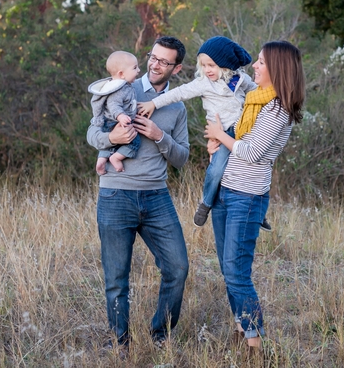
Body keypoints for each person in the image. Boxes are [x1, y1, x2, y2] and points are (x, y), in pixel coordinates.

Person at [86, 36, 190, 351]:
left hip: (157, 197)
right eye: (152, 57)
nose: (155, 64)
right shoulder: (121, 85)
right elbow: (92, 131)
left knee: (178, 267)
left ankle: (160, 335)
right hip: (116, 196)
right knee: (117, 278)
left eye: (164, 61)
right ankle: (119, 342)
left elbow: (182, 158)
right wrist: (111, 137)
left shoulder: (177, 106)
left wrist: (160, 137)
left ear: (177, 68)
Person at [204, 40, 305, 352]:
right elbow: (238, 136)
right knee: (229, 269)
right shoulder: (256, 100)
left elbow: (250, 151)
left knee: (237, 274)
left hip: (246, 197)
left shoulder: (277, 109)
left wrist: (220, 135)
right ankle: (240, 328)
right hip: (226, 191)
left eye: (261, 62)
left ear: (278, 69)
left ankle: (255, 345)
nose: (255, 67)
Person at [137, 36, 271, 231]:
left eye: (212, 65)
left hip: (244, 129)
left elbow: (257, 92)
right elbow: (179, 93)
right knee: (217, 169)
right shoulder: (204, 83)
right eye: (204, 65)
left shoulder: (241, 78)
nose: (208, 70)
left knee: (257, 167)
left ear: (226, 65)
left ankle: (258, 212)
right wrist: (153, 103)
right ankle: (206, 203)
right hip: (223, 130)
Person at [88, 51, 141, 174]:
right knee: (135, 141)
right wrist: (120, 116)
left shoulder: (122, 85)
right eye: (135, 68)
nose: (138, 70)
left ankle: (101, 160)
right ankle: (116, 158)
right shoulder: (119, 89)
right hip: (116, 121)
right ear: (121, 74)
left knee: (109, 144)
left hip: (110, 123)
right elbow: (113, 104)